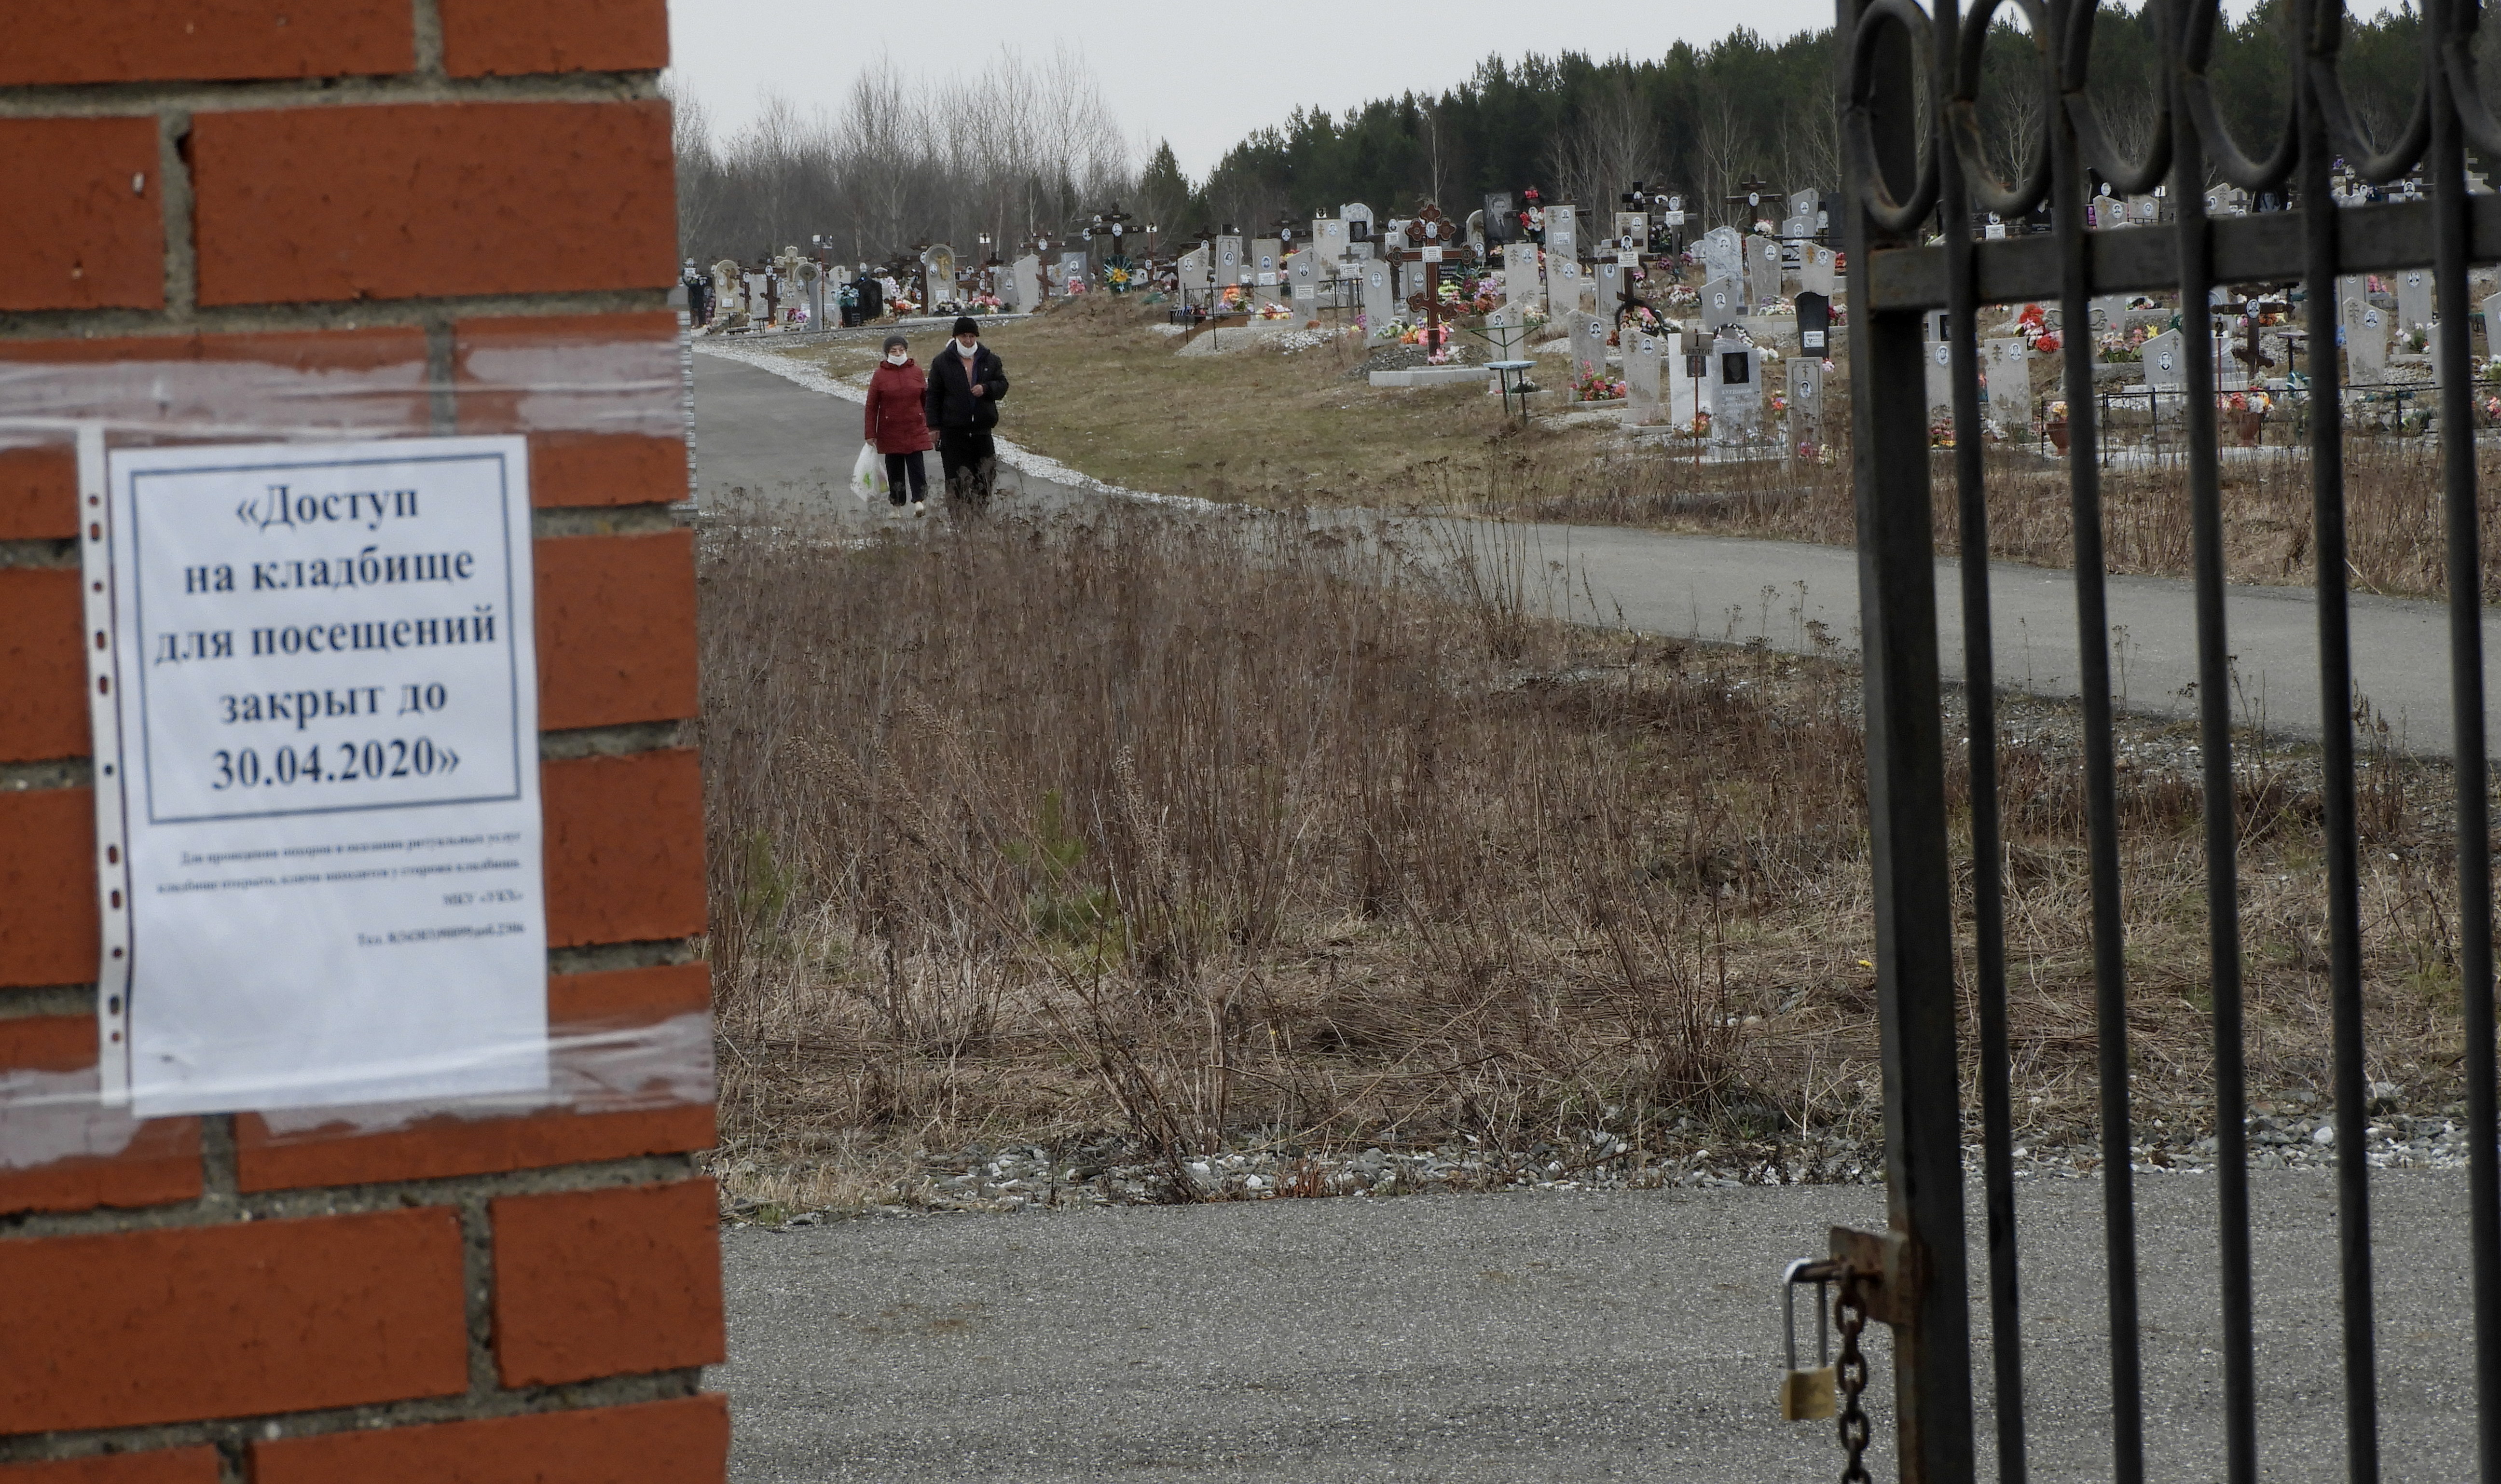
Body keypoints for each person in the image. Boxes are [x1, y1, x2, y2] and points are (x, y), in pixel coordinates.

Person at [924, 316, 1009, 511]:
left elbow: (1002, 385)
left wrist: (986, 389)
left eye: (972, 336)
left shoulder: (990, 359)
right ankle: (959, 523)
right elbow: (934, 395)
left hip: (982, 430)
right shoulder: (942, 362)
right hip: (953, 432)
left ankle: (980, 518)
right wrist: (934, 427)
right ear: (956, 337)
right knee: (956, 480)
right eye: (964, 336)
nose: (968, 341)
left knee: (985, 477)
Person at [864, 333, 933, 518]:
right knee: (895, 469)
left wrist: (931, 424)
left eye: (901, 350)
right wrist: (870, 433)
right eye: (894, 350)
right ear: (888, 353)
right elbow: (872, 406)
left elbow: (926, 400)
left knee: (917, 467)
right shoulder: (880, 375)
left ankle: (919, 501)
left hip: (915, 427)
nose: (898, 353)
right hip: (890, 430)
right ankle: (897, 505)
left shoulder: (916, 371)